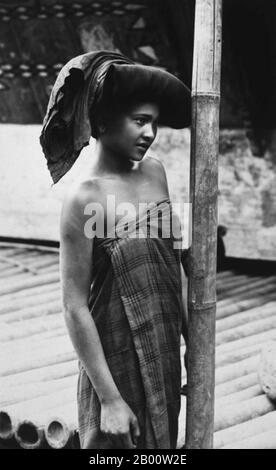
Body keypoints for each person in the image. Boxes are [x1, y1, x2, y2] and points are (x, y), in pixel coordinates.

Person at [40, 50, 191, 449]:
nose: (150, 133)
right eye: (140, 121)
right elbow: (74, 306)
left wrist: (194, 347)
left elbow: (174, 264)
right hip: (114, 362)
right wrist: (109, 399)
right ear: (102, 122)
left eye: (154, 123)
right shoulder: (84, 199)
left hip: (163, 353)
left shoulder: (156, 173)